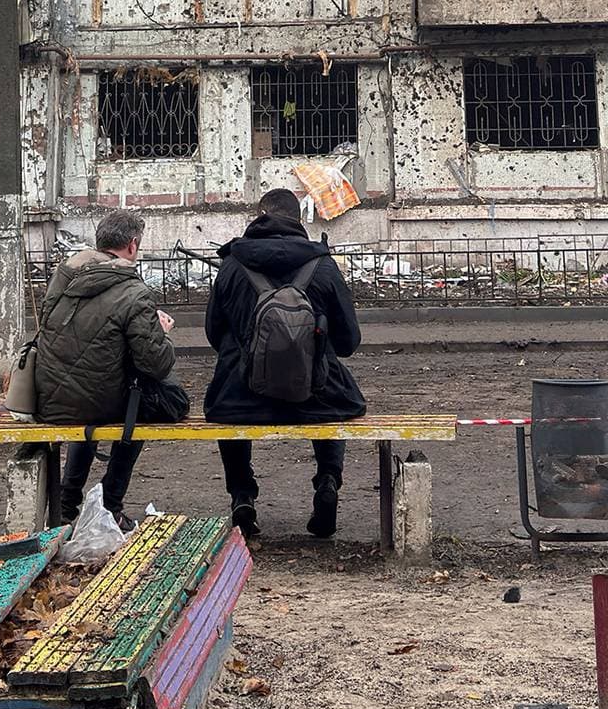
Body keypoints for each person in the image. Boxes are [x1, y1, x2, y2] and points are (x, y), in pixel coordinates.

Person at [204, 189, 366, 538]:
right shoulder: (322, 265)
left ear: (259, 215)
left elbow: (213, 334)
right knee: (336, 403)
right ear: (299, 220)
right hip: (314, 398)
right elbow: (349, 342)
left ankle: (242, 496)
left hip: (243, 398)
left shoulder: (232, 264)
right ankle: (327, 480)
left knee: (225, 405)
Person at [33, 209, 186, 531]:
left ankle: (67, 502)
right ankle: (110, 505)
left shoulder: (63, 276)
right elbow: (155, 364)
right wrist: (163, 334)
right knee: (146, 406)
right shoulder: (133, 291)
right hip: (103, 402)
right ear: (132, 245)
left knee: (89, 395)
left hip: (51, 398)